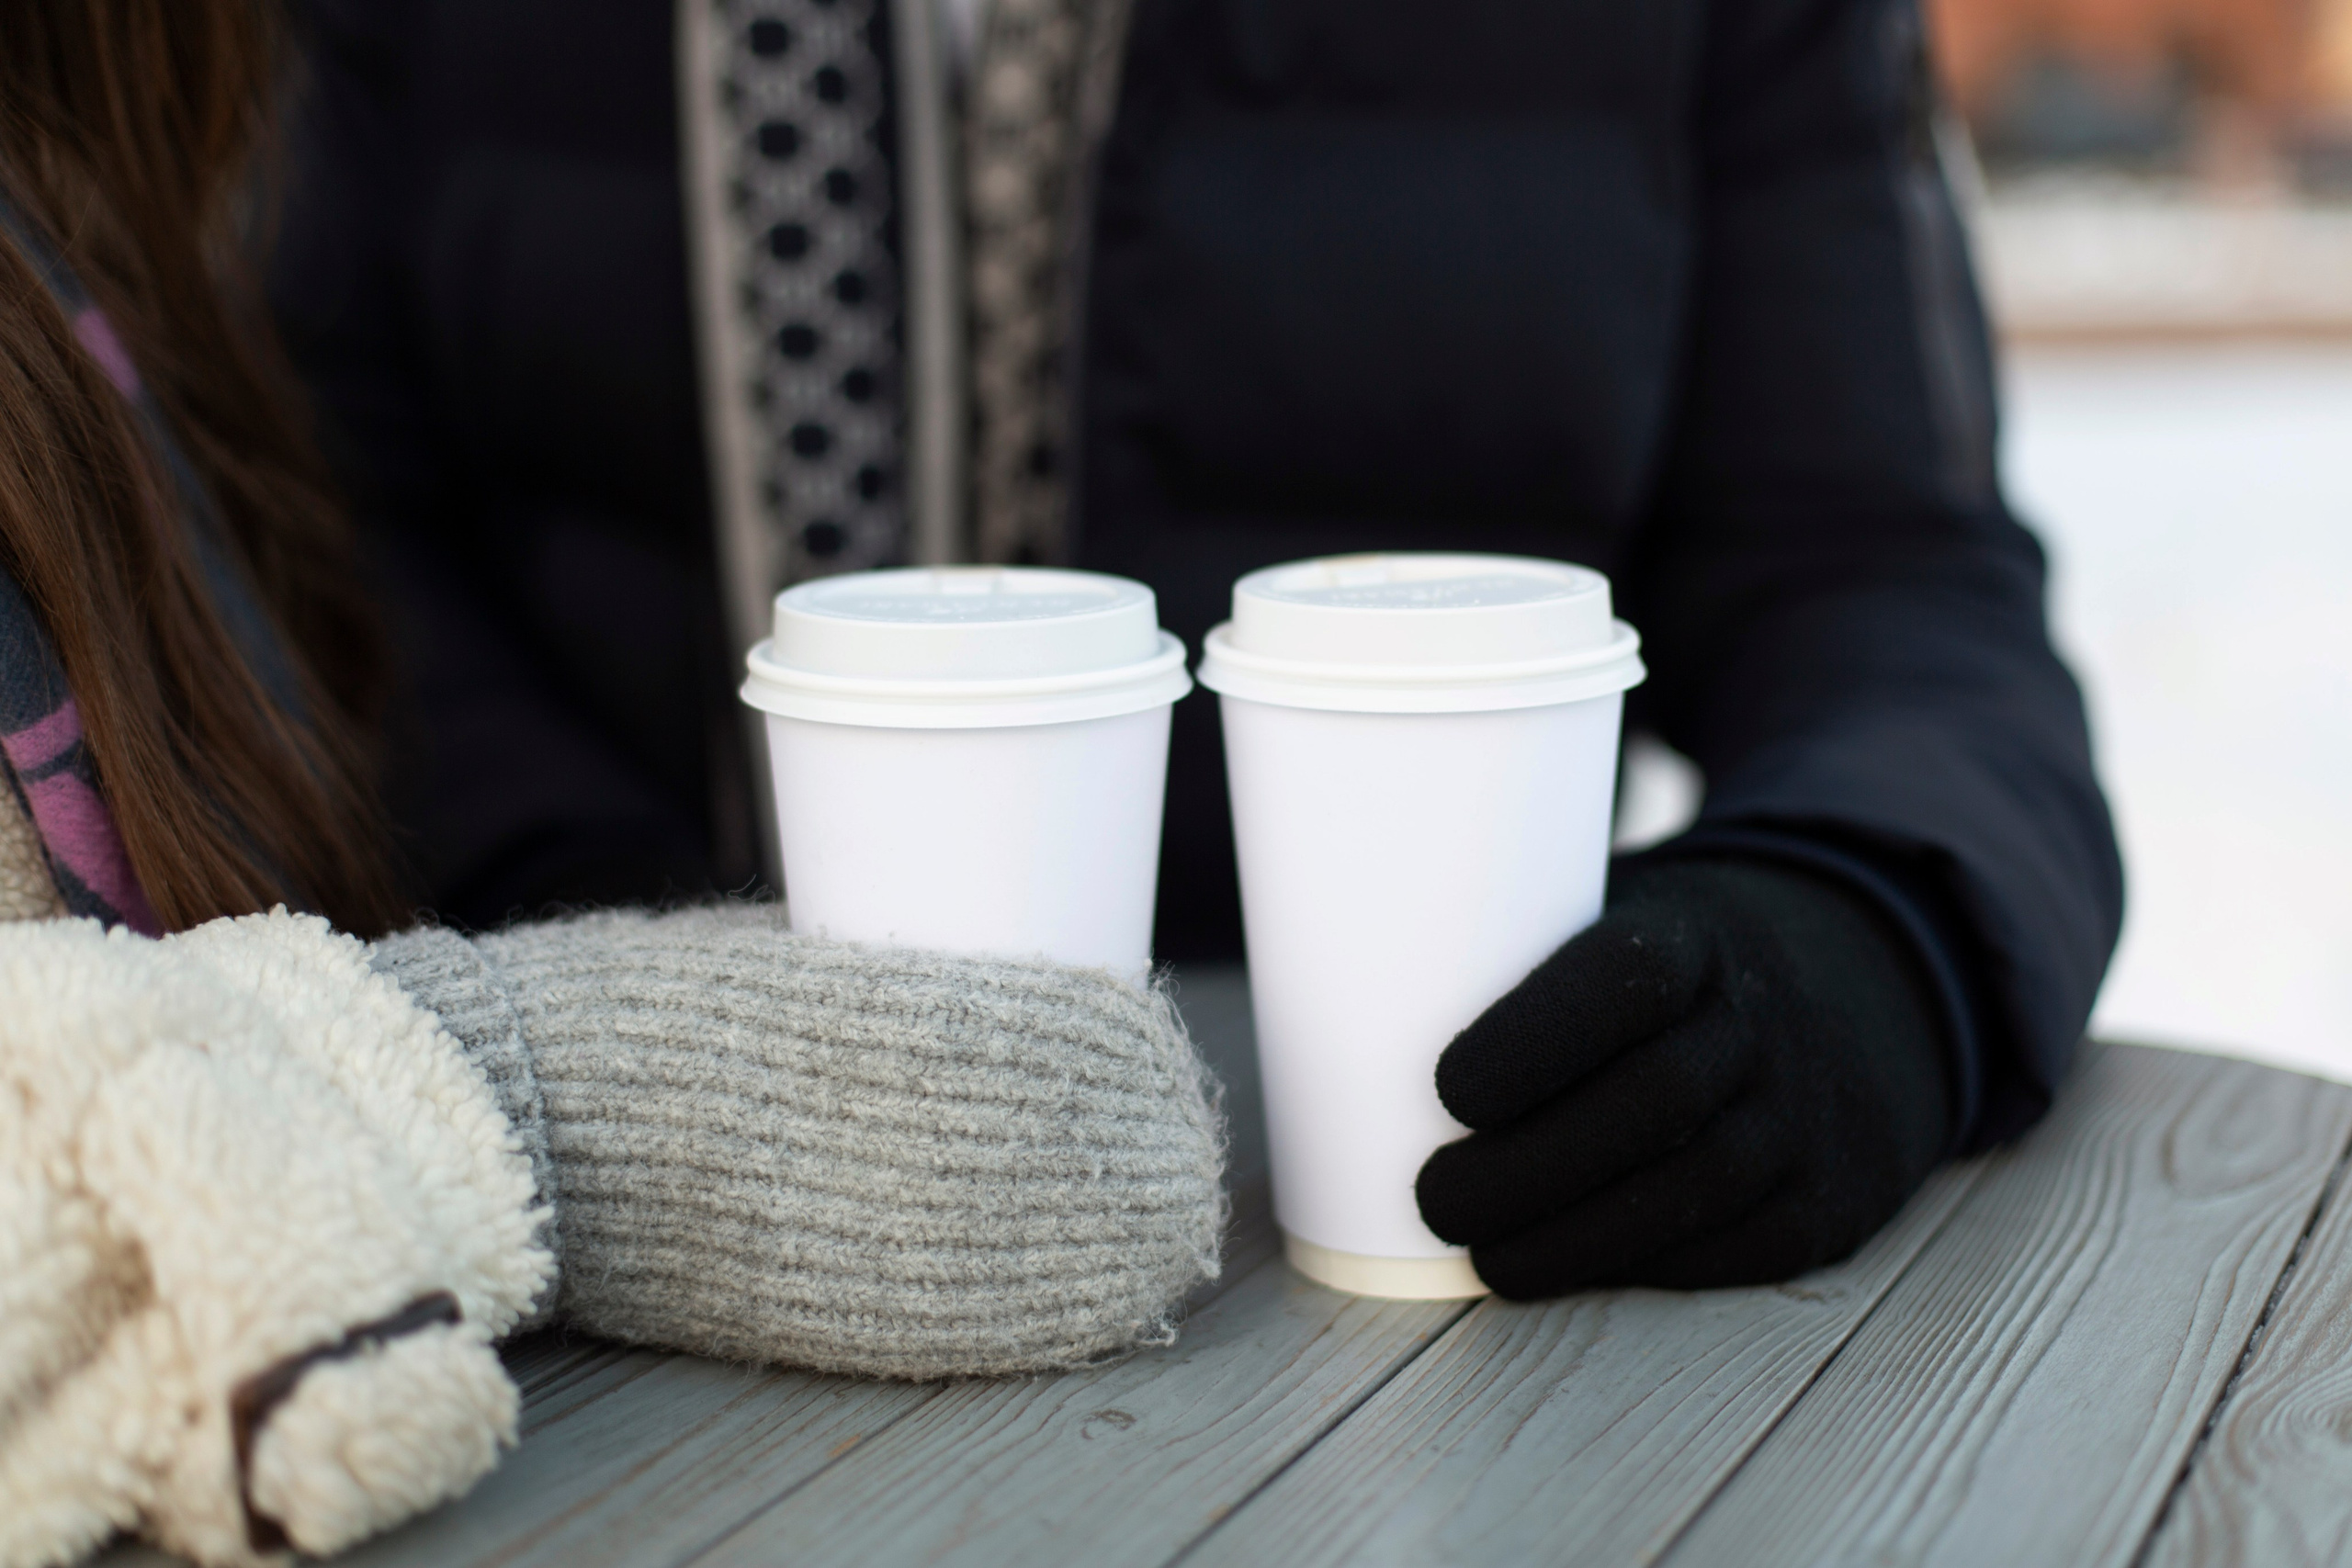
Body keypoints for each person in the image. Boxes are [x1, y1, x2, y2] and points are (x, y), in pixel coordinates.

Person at [272, 0, 2123, 1301]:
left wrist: (1864, 924)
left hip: (1394, 1281)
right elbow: (284, 520)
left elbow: (1880, 569)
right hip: (550, 1242)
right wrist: (576, 938)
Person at [0, 6, 1220, 1562]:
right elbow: (365, 479)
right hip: (611, 1360)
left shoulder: (93, 223)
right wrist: (537, 1046)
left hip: (1260, 1274)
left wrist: (1570, 923)